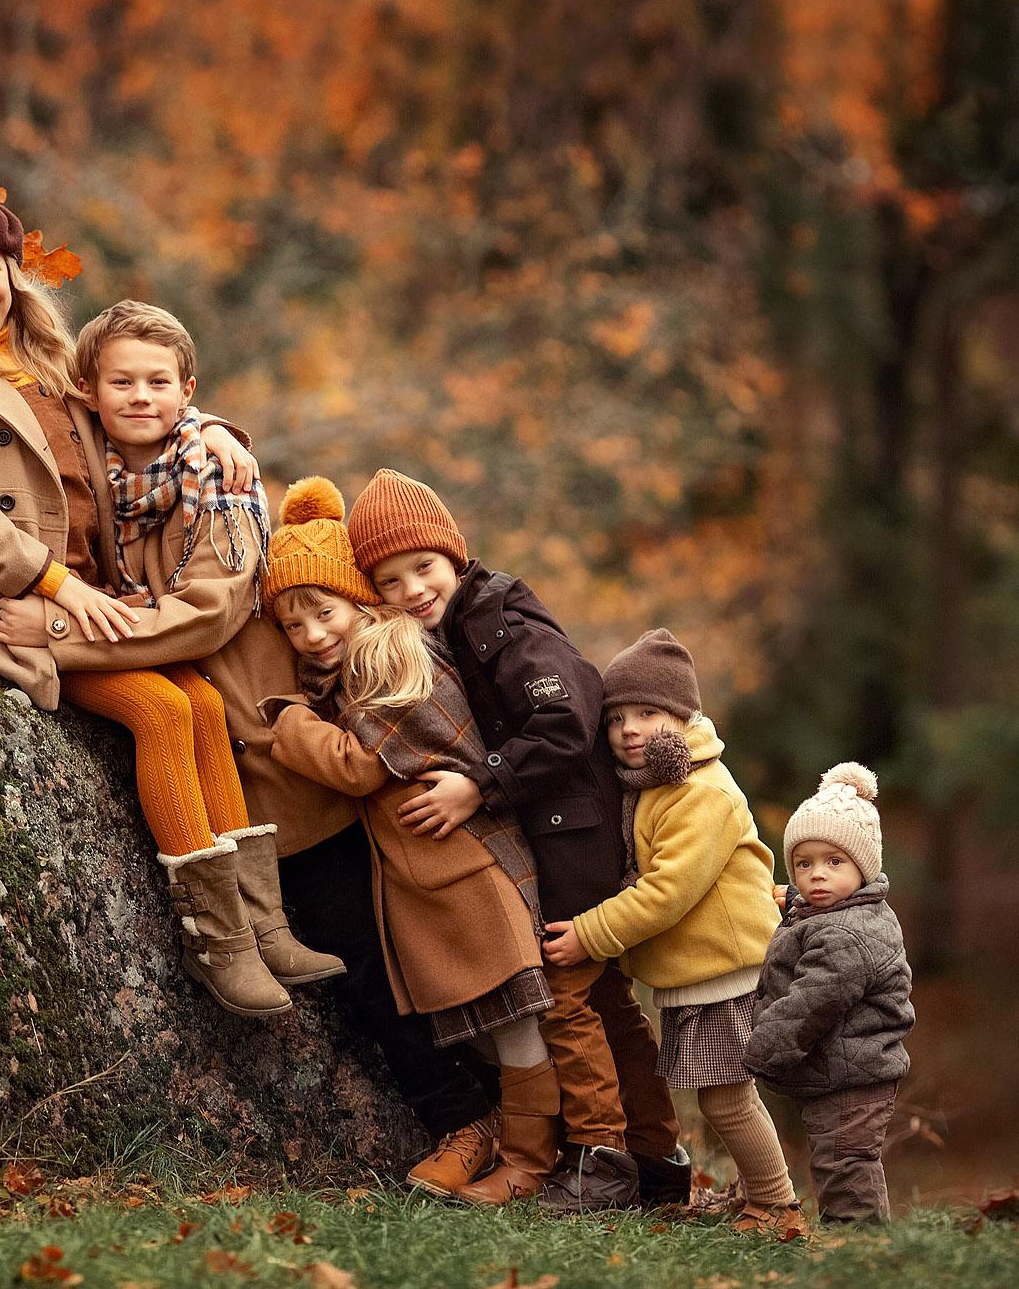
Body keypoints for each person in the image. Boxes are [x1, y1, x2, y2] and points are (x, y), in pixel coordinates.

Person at [0, 169, 338, 1015]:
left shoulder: (54, 368)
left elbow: (144, 402)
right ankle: (218, 943)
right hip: (26, 601)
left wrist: (213, 432)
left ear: (14, 273)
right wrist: (50, 582)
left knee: (199, 701)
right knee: (160, 713)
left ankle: (264, 922)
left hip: (100, 593)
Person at [345, 471, 687, 1214]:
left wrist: (481, 782)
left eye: (424, 568)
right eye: (388, 579)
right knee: (605, 996)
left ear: (455, 556)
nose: (411, 589)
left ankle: (599, 1160)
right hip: (567, 828)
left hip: (575, 834)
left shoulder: (501, 621)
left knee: (564, 994)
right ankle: (658, 1157)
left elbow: (567, 719)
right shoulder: (462, 626)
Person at [259, 479, 560, 1204]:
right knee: (489, 1028)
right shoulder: (361, 663)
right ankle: (516, 1149)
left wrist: (287, 724)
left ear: (359, 604)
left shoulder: (390, 658)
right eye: (294, 628)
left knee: (516, 1027)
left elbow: (363, 767)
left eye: (323, 614)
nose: (311, 637)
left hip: (470, 867)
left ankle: (532, 1166)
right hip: (435, 873)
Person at [543, 629, 804, 1237]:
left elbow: (665, 892)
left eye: (649, 714)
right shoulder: (653, 787)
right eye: (617, 717)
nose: (630, 729)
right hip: (696, 974)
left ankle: (778, 1205)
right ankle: (761, 1196)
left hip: (727, 970)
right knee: (721, 1098)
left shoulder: (701, 792)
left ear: (684, 719)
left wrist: (591, 934)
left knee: (726, 1099)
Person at [744, 764, 915, 1224]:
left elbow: (813, 1000)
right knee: (839, 1159)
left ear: (863, 868)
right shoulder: (836, 913)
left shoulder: (847, 932)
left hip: (853, 1075)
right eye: (805, 863)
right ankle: (855, 1241)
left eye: (834, 862)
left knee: (844, 1166)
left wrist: (763, 1049)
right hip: (843, 1068)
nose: (817, 875)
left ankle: (856, 1248)